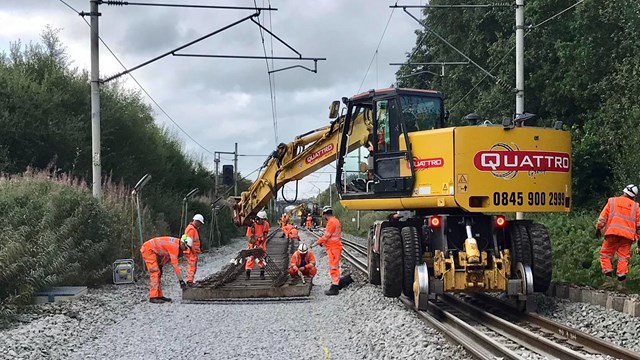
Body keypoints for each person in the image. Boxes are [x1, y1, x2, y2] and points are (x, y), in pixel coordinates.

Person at [595, 184, 640, 281]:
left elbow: (602, 217)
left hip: (612, 233)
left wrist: (598, 228)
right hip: (627, 237)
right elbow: (639, 226)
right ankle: (621, 274)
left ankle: (607, 271)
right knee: (623, 257)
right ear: (634, 196)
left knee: (605, 254)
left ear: (624, 192)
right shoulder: (636, 207)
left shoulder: (612, 201)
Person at [140, 236, 191, 303]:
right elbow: (175, 266)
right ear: (182, 243)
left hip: (149, 248)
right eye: (186, 247)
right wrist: (181, 281)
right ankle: (153, 297)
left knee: (158, 273)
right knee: (155, 272)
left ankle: (159, 295)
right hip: (148, 250)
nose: (185, 250)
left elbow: (167, 255)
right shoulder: (174, 247)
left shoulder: (175, 243)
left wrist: (161, 265)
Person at [311, 206, 343, 295]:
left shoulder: (331, 223)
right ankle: (336, 283)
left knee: (333, 267)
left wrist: (316, 243)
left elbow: (326, 236)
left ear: (325, 214)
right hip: (335, 246)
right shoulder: (335, 220)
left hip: (333, 248)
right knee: (335, 266)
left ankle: (335, 287)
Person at [246, 210, 270, 280]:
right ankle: (248, 274)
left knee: (261, 258)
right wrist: (253, 246)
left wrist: (261, 244)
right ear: (258, 219)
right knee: (251, 258)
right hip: (253, 242)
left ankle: (262, 274)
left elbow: (265, 235)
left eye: (264, 220)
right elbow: (249, 237)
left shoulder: (266, 224)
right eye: (262, 220)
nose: (263, 221)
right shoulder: (252, 225)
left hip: (261, 242)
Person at [183, 214, 204, 287]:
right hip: (191, 251)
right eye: (200, 223)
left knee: (192, 267)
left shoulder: (191, 228)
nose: (200, 225)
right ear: (197, 221)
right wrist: (193, 251)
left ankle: (190, 281)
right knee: (192, 267)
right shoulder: (191, 229)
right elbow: (189, 242)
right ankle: (189, 281)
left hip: (191, 251)